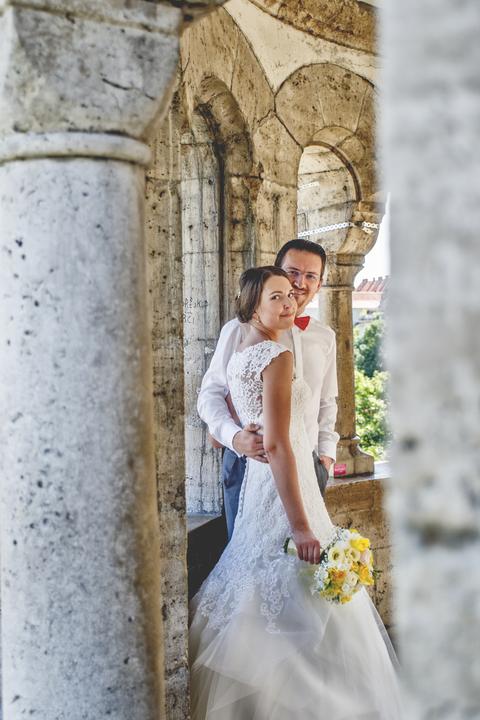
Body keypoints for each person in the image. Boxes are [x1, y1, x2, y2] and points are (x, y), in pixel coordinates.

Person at [189, 267, 402, 719]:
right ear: (252, 305)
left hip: (272, 481)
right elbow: (277, 443)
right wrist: (302, 525)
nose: (289, 301)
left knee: (257, 576)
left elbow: (323, 406)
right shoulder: (275, 354)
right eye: (277, 296)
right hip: (282, 479)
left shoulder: (248, 351)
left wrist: (324, 456)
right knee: (299, 578)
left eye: (292, 293)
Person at [198, 239, 339, 539]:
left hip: (309, 464)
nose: (300, 283)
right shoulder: (239, 329)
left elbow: (327, 401)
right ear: (277, 271)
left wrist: (325, 457)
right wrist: (234, 437)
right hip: (251, 463)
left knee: (305, 557)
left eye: (310, 276)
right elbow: (209, 395)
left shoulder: (325, 336)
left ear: (320, 283)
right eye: (293, 272)